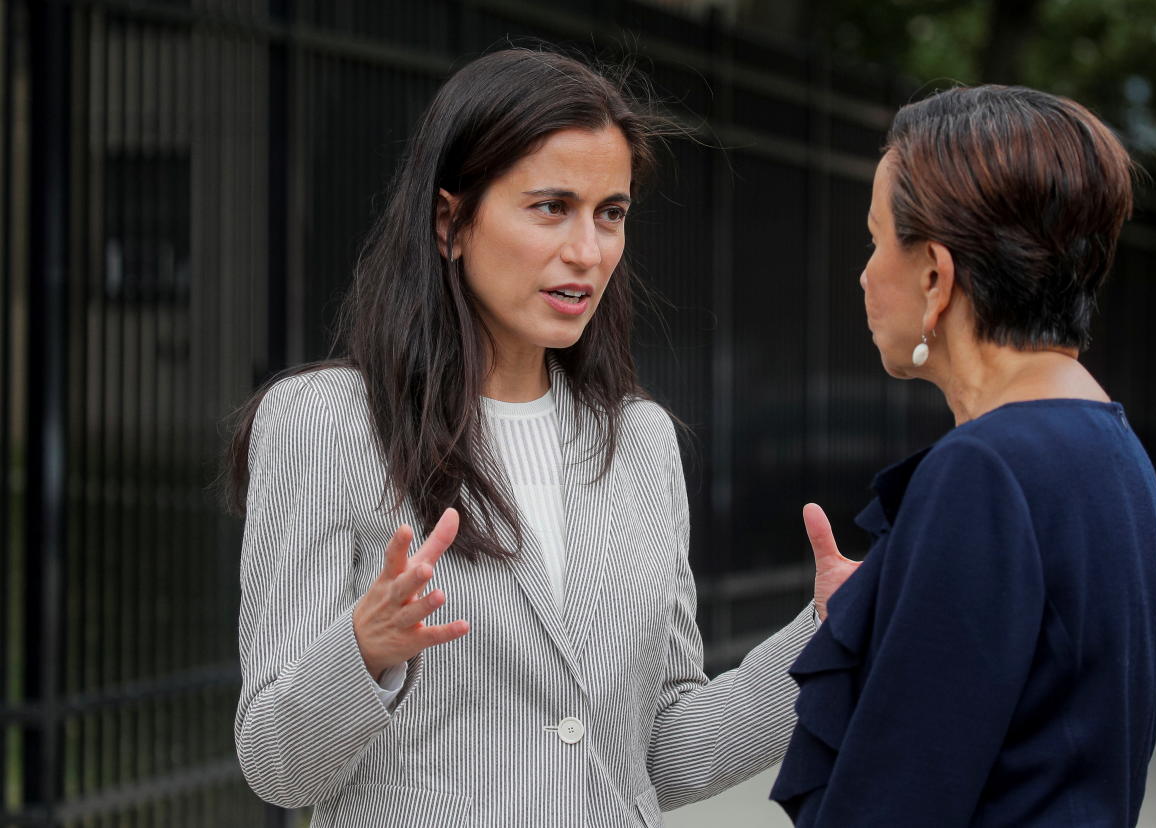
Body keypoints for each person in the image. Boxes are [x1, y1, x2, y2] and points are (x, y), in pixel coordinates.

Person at [226, 48, 844, 827]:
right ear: (451, 222)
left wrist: (824, 638)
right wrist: (363, 648)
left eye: (610, 213)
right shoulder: (324, 422)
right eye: (550, 207)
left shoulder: (641, 440)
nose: (588, 252)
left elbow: (665, 753)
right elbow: (277, 766)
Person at [770, 85, 1156, 826]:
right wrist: (878, 614)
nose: (864, 274)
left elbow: (896, 801)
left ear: (935, 277)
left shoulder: (985, 469)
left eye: (875, 240)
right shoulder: (1108, 447)